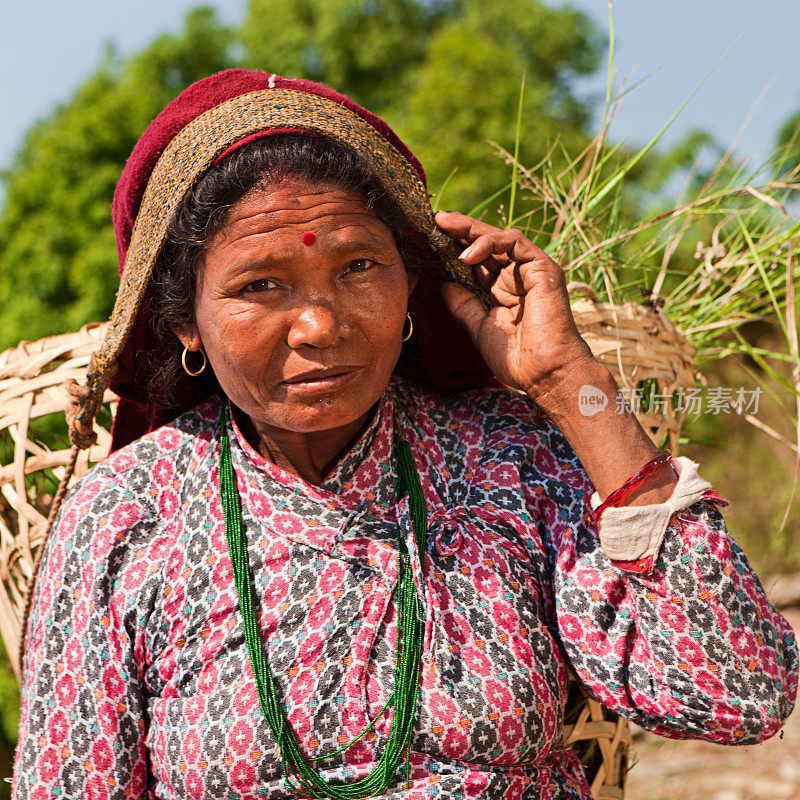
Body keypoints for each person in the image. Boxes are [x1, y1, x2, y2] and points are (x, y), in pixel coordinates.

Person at [11, 69, 797, 800]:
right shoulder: (122, 518)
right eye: (260, 286)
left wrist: (567, 383)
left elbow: (740, 695)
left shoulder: (505, 456)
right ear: (185, 320)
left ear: (410, 283)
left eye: (357, 268)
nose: (320, 325)